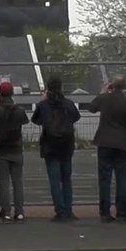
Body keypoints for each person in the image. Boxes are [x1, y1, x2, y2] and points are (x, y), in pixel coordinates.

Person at [88, 77, 126, 222]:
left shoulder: (104, 99)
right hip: (123, 143)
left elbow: (91, 108)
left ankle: (105, 212)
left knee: (105, 179)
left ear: (111, 86)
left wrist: (102, 92)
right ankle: (121, 212)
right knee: (122, 179)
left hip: (105, 142)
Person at [31, 77, 80, 222]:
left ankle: (60, 210)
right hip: (66, 145)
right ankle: (68, 209)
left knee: (54, 180)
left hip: (50, 146)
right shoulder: (69, 104)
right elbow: (76, 117)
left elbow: (36, 120)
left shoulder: (43, 105)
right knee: (66, 179)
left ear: (47, 88)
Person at [0, 82, 27, 223]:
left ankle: (6, 212)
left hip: (1, 149)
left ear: (0, 94)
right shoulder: (19, 110)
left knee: (3, 183)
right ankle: (19, 212)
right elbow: (25, 121)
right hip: (16, 148)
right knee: (17, 182)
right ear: (12, 93)